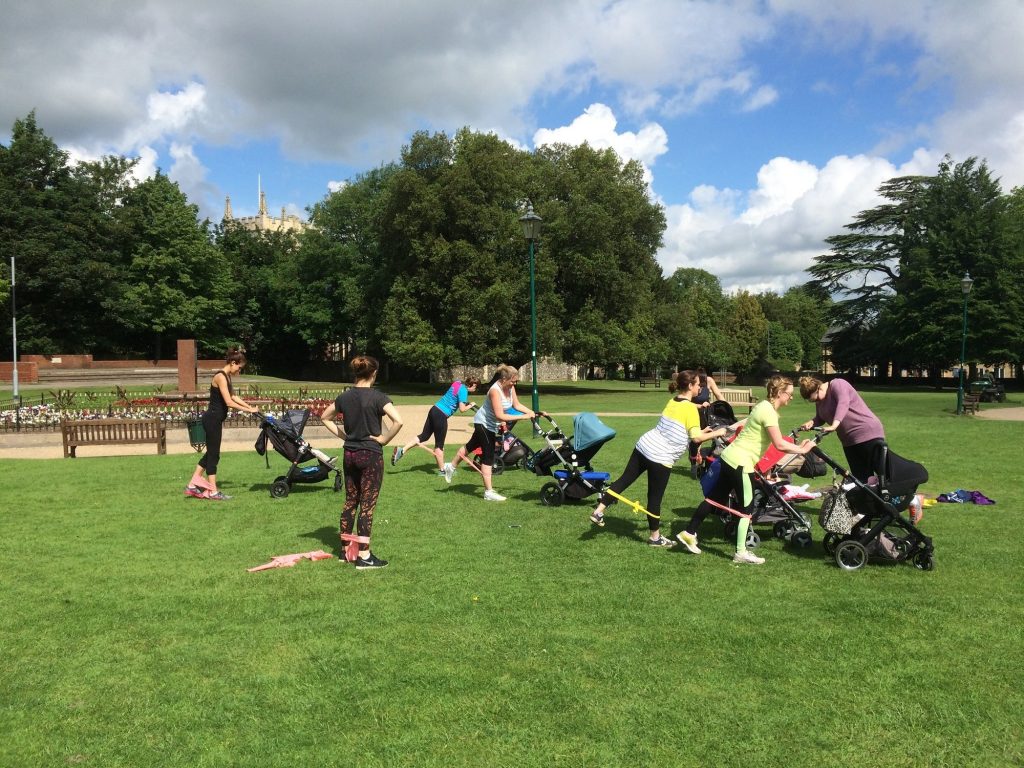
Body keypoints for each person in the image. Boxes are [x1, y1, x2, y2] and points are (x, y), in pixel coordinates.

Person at [677, 374, 813, 564]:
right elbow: (780, 444)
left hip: (729, 458)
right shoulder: (769, 412)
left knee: (714, 500)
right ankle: (741, 552)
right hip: (741, 463)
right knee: (746, 510)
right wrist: (802, 449)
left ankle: (689, 532)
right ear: (780, 393)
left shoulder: (763, 406)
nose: (791, 397)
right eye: (789, 394)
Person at [589, 370, 729, 547]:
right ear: (690, 386)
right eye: (697, 384)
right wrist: (719, 432)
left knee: (624, 480)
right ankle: (655, 538)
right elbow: (695, 438)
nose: (700, 387)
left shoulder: (673, 401)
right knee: (654, 498)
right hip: (660, 457)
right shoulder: (690, 409)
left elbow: (685, 427)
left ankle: (599, 511)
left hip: (644, 446)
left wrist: (703, 430)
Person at [320, 356, 403, 570]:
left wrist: (345, 436)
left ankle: (346, 550)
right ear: (373, 373)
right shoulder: (378, 397)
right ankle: (364, 556)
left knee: (350, 502)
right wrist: (384, 440)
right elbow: (398, 421)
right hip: (371, 455)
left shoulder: (345, 397)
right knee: (367, 505)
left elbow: (324, 417)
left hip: (350, 453)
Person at [451, 365, 537, 501]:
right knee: (489, 456)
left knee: (471, 446)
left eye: (516, 381)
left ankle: (451, 466)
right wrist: (522, 417)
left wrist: (531, 412)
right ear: (504, 379)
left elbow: (517, 405)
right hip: (484, 424)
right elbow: (500, 416)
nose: (515, 384)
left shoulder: (510, 387)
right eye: (513, 381)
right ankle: (488, 492)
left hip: (490, 424)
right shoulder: (494, 391)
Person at [186, 347, 259, 500]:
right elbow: (228, 402)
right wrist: (248, 410)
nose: (239, 371)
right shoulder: (220, 376)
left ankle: (192, 485)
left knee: (211, 453)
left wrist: (250, 407)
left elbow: (233, 396)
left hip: (215, 419)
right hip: (212, 419)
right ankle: (213, 491)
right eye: (239, 367)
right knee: (214, 455)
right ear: (233, 362)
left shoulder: (226, 376)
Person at [797, 376, 885, 482]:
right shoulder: (820, 400)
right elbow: (820, 418)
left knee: (883, 472)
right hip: (849, 441)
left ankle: (898, 495)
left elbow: (843, 404)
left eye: (816, 399)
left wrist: (834, 425)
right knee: (862, 478)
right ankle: (871, 498)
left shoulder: (838, 384)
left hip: (867, 432)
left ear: (818, 388)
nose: (816, 402)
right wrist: (811, 423)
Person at [391, 377, 479, 481]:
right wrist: (471, 404)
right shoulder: (464, 390)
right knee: (439, 445)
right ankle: (442, 471)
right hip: (441, 415)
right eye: (476, 387)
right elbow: (462, 409)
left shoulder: (457, 383)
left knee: (424, 436)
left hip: (434, 409)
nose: (475, 390)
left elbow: (453, 396)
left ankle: (402, 450)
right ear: (472, 385)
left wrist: (464, 401)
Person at [688, 367, 727, 472]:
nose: (700, 385)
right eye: (699, 383)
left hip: (707, 415)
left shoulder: (709, 380)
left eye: (702, 382)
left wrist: (726, 407)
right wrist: (700, 405)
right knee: (696, 440)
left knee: (715, 436)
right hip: (694, 414)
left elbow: (718, 394)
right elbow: (686, 402)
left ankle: (711, 461)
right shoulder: (692, 383)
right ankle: (694, 463)